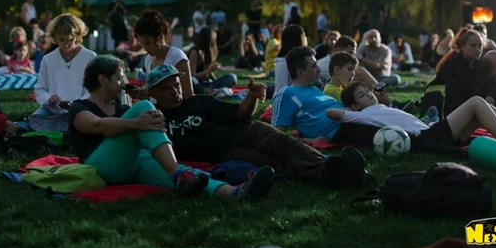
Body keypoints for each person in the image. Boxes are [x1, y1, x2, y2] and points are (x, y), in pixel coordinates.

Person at [69, 56, 275, 200]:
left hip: (133, 163)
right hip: (100, 167)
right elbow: (97, 125)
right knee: (144, 110)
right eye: (119, 78)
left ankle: (233, 193)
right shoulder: (81, 107)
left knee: (189, 176)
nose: (124, 82)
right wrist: (135, 122)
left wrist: (145, 123)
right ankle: (177, 172)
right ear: (103, 80)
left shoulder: (122, 108)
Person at [147, 63, 372, 187]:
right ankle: (337, 173)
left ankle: (331, 170)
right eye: (167, 88)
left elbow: (240, 114)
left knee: (283, 142)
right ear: (153, 93)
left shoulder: (199, 102)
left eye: (176, 85)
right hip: (225, 152)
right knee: (274, 163)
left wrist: (252, 97)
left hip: (245, 130)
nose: (175, 91)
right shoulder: (154, 119)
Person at [333, 82, 496, 148]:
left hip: (432, 130)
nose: (368, 93)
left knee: (483, 108)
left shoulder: (377, 108)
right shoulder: (362, 115)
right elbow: (333, 113)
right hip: (428, 136)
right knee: (476, 102)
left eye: (367, 90)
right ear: (355, 105)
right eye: (361, 95)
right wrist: (348, 111)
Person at [271, 46, 380, 146]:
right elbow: (277, 134)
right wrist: (304, 140)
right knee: (385, 135)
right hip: (340, 129)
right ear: (301, 72)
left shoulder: (314, 89)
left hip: (355, 116)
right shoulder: (287, 94)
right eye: (314, 66)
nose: (318, 70)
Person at [34, 14, 96, 115]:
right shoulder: (47, 59)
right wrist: (49, 99)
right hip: (53, 109)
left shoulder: (90, 57)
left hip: (83, 109)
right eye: (62, 40)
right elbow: (40, 89)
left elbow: (94, 88)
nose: (66, 43)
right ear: (55, 39)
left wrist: (78, 104)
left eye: (70, 39)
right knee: (33, 120)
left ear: (77, 36)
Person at [135, 10, 194, 99]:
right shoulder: (148, 60)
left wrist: (156, 94)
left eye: (147, 43)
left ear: (160, 37)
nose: (145, 49)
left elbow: (189, 94)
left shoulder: (177, 57)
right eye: (142, 44)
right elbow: (151, 91)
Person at [189, 27, 237, 94]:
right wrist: (208, 71)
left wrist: (216, 80)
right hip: (197, 84)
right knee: (192, 79)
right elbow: (192, 75)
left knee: (232, 77)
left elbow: (209, 72)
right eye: (213, 39)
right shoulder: (194, 51)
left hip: (207, 83)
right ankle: (207, 91)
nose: (215, 41)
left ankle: (214, 90)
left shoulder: (207, 52)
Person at [273, 24, 307, 99]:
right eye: (304, 35)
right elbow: (281, 91)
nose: (305, 38)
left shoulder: (304, 60)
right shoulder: (283, 64)